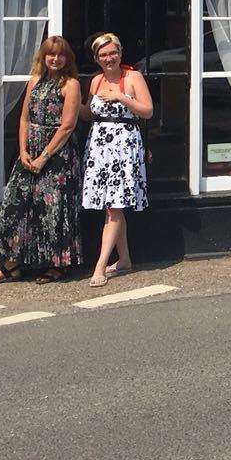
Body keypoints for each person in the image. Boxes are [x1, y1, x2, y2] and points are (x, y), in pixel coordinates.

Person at [0, 36, 83, 284]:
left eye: (60, 55)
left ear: (67, 58)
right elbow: (24, 119)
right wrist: (24, 151)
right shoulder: (34, 82)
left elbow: (68, 125)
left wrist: (44, 157)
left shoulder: (70, 84)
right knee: (15, 205)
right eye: (51, 54)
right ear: (43, 56)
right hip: (30, 151)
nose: (55, 59)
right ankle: (11, 264)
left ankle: (56, 264)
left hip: (57, 154)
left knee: (52, 209)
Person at [82, 32, 153, 287]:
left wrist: (122, 97)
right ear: (97, 58)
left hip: (124, 148)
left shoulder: (133, 77)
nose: (109, 58)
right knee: (112, 207)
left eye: (113, 53)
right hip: (100, 150)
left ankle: (100, 266)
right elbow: (88, 114)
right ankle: (124, 260)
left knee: (114, 208)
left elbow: (148, 110)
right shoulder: (95, 81)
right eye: (103, 55)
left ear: (120, 53)